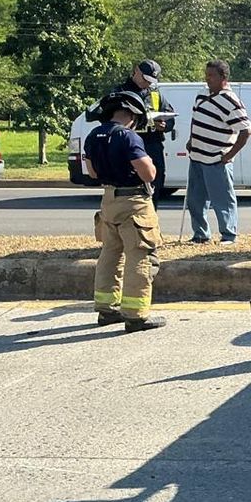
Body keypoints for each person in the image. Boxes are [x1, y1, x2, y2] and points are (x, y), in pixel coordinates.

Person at [84, 91, 166, 332]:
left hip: (108, 200)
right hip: (133, 202)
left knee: (110, 254)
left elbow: (92, 173)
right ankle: (136, 315)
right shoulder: (128, 137)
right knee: (141, 255)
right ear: (131, 114)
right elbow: (148, 174)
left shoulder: (93, 136)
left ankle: (106, 309)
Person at [87, 60, 176, 202]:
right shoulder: (119, 92)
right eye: (146, 79)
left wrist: (165, 125)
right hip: (125, 144)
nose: (148, 83)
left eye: (151, 80)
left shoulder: (155, 93)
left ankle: (150, 217)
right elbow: (106, 119)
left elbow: (170, 117)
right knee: (128, 184)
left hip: (152, 144)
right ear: (136, 71)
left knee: (155, 184)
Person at [185, 59, 251, 244]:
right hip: (197, 156)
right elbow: (195, 118)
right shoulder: (201, 95)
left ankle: (229, 235)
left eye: (211, 76)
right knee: (195, 200)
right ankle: (200, 234)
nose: (207, 80)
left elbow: (246, 130)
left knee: (223, 200)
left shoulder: (230, 100)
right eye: (206, 75)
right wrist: (192, 140)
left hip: (216, 158)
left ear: (223, 77)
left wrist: (229, 155)